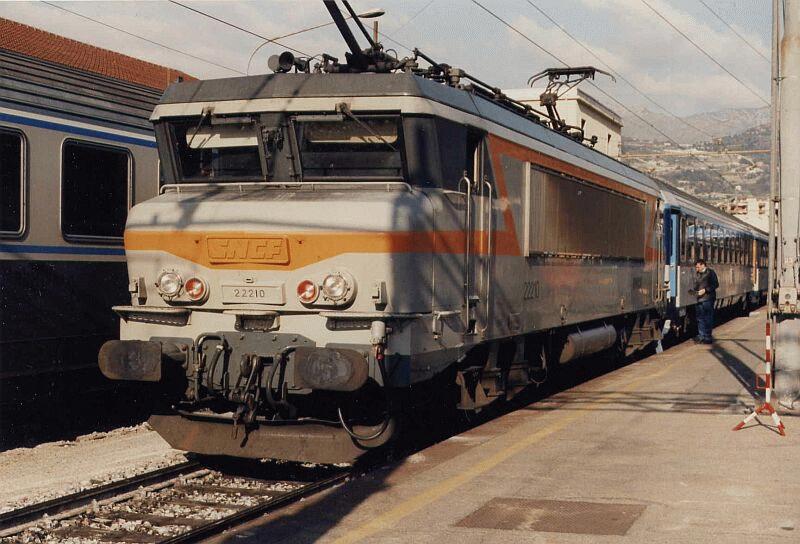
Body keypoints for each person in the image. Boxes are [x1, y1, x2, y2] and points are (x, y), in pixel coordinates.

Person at [692, 258, 719, 344]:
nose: (697, 269)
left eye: (698, 267)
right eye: (696, 267)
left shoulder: (711, 273)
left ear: (703, 265)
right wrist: (694, 291)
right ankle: (701, 335)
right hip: (699, 298)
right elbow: (696, 285)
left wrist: (705, 290)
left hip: (708, 298)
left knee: (707, 318)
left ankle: (707, 336)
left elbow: (715, 284)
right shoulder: (697, 274)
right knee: (700, 318)